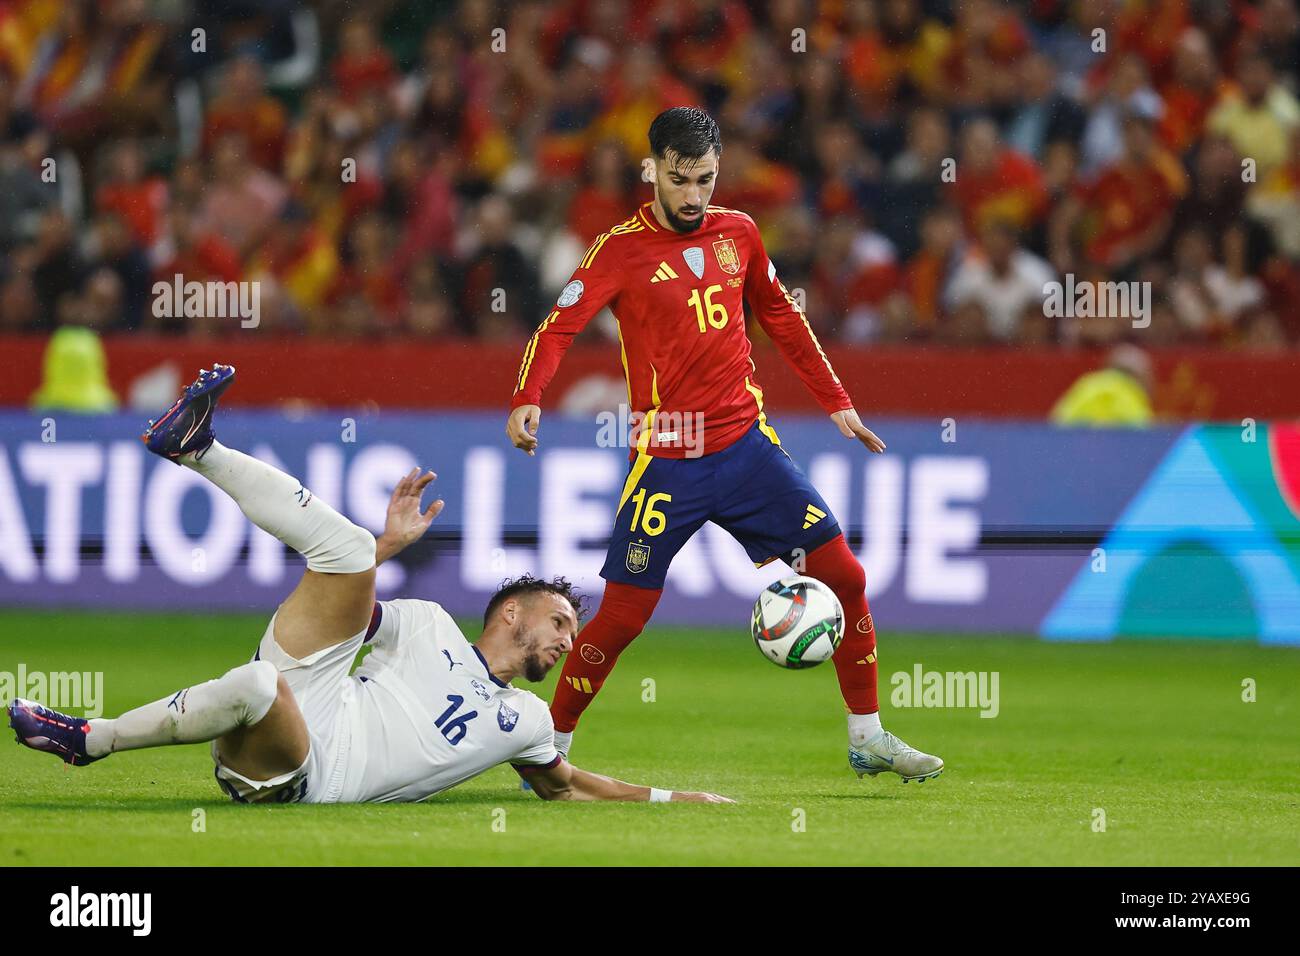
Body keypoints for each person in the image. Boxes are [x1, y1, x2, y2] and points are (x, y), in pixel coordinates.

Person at [9, 365, 730, 806]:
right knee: (348, 551)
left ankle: (90, 739)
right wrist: (380, 548)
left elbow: (567, 785)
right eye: (562, 621)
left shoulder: (529, 724)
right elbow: (336, 599)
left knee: (260, 685)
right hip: (319, 693)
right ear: (512, 613)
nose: (571, 639)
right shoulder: (423, 625)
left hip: (307, 771)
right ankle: (196, 447)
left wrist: (675, 796)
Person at [505, 107, 943, 783]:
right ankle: (549, 749)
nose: (692, 196)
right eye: (680, 181)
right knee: (622, 618)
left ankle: (868, 737)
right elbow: (557, 327)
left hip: (747, 450)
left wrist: (837, 402)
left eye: (705, 180)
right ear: (652, 170)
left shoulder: (739, 234)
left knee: (848, 578)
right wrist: (528, 395)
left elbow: (780, 316)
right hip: (668, 460)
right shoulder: (617, 249)